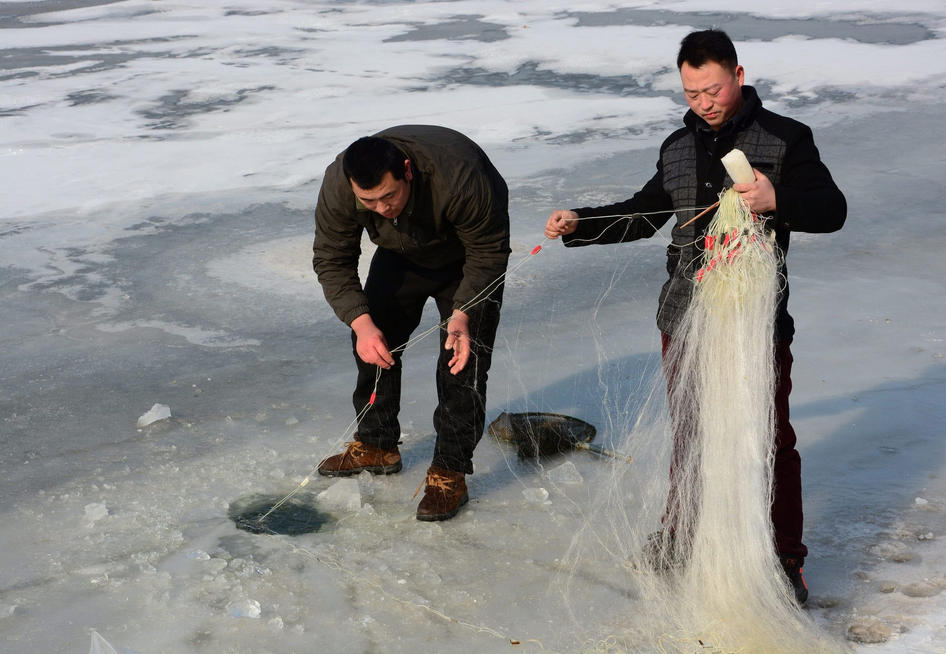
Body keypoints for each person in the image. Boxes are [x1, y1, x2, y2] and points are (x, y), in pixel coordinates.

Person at [543, 30, 846, 603]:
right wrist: (580, 223)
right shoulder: (677, 147)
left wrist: (777, 199)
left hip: (754, 321)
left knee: (770, 438)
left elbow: (833, 210)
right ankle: (682, 535)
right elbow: (643, 213)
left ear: (738, 74)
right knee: (690, 432)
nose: (704, 103)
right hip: (683, 314)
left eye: (713, 89)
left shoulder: (785, 137)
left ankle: (784, 556)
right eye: (691, 93)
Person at [313, 125, 510, 521]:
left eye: (389, 196)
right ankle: (377, 444)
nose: (382, 208)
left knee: (461, 363)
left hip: (467, 258)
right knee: (373, 342)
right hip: (400, 253)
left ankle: (450, 470)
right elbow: (332, 260)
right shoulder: (340, 184)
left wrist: (463, 313)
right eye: (369, 201)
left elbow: (489, 252)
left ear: (406, 170)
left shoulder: (460, 177)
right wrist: (361, 324)